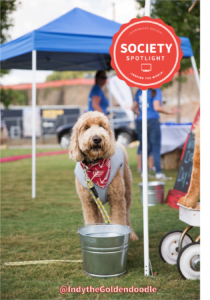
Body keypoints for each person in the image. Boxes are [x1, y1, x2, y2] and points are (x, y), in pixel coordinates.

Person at [132, 88, 175, 180]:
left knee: (145, 147)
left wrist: (139, 114)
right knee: (156, 148)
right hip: (152, 121)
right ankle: (158, 173)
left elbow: (133, 108)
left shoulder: (140, 90)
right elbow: (156, 107)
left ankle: (144, 173)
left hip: (141, 121)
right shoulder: (156, 90)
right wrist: (169, 112)